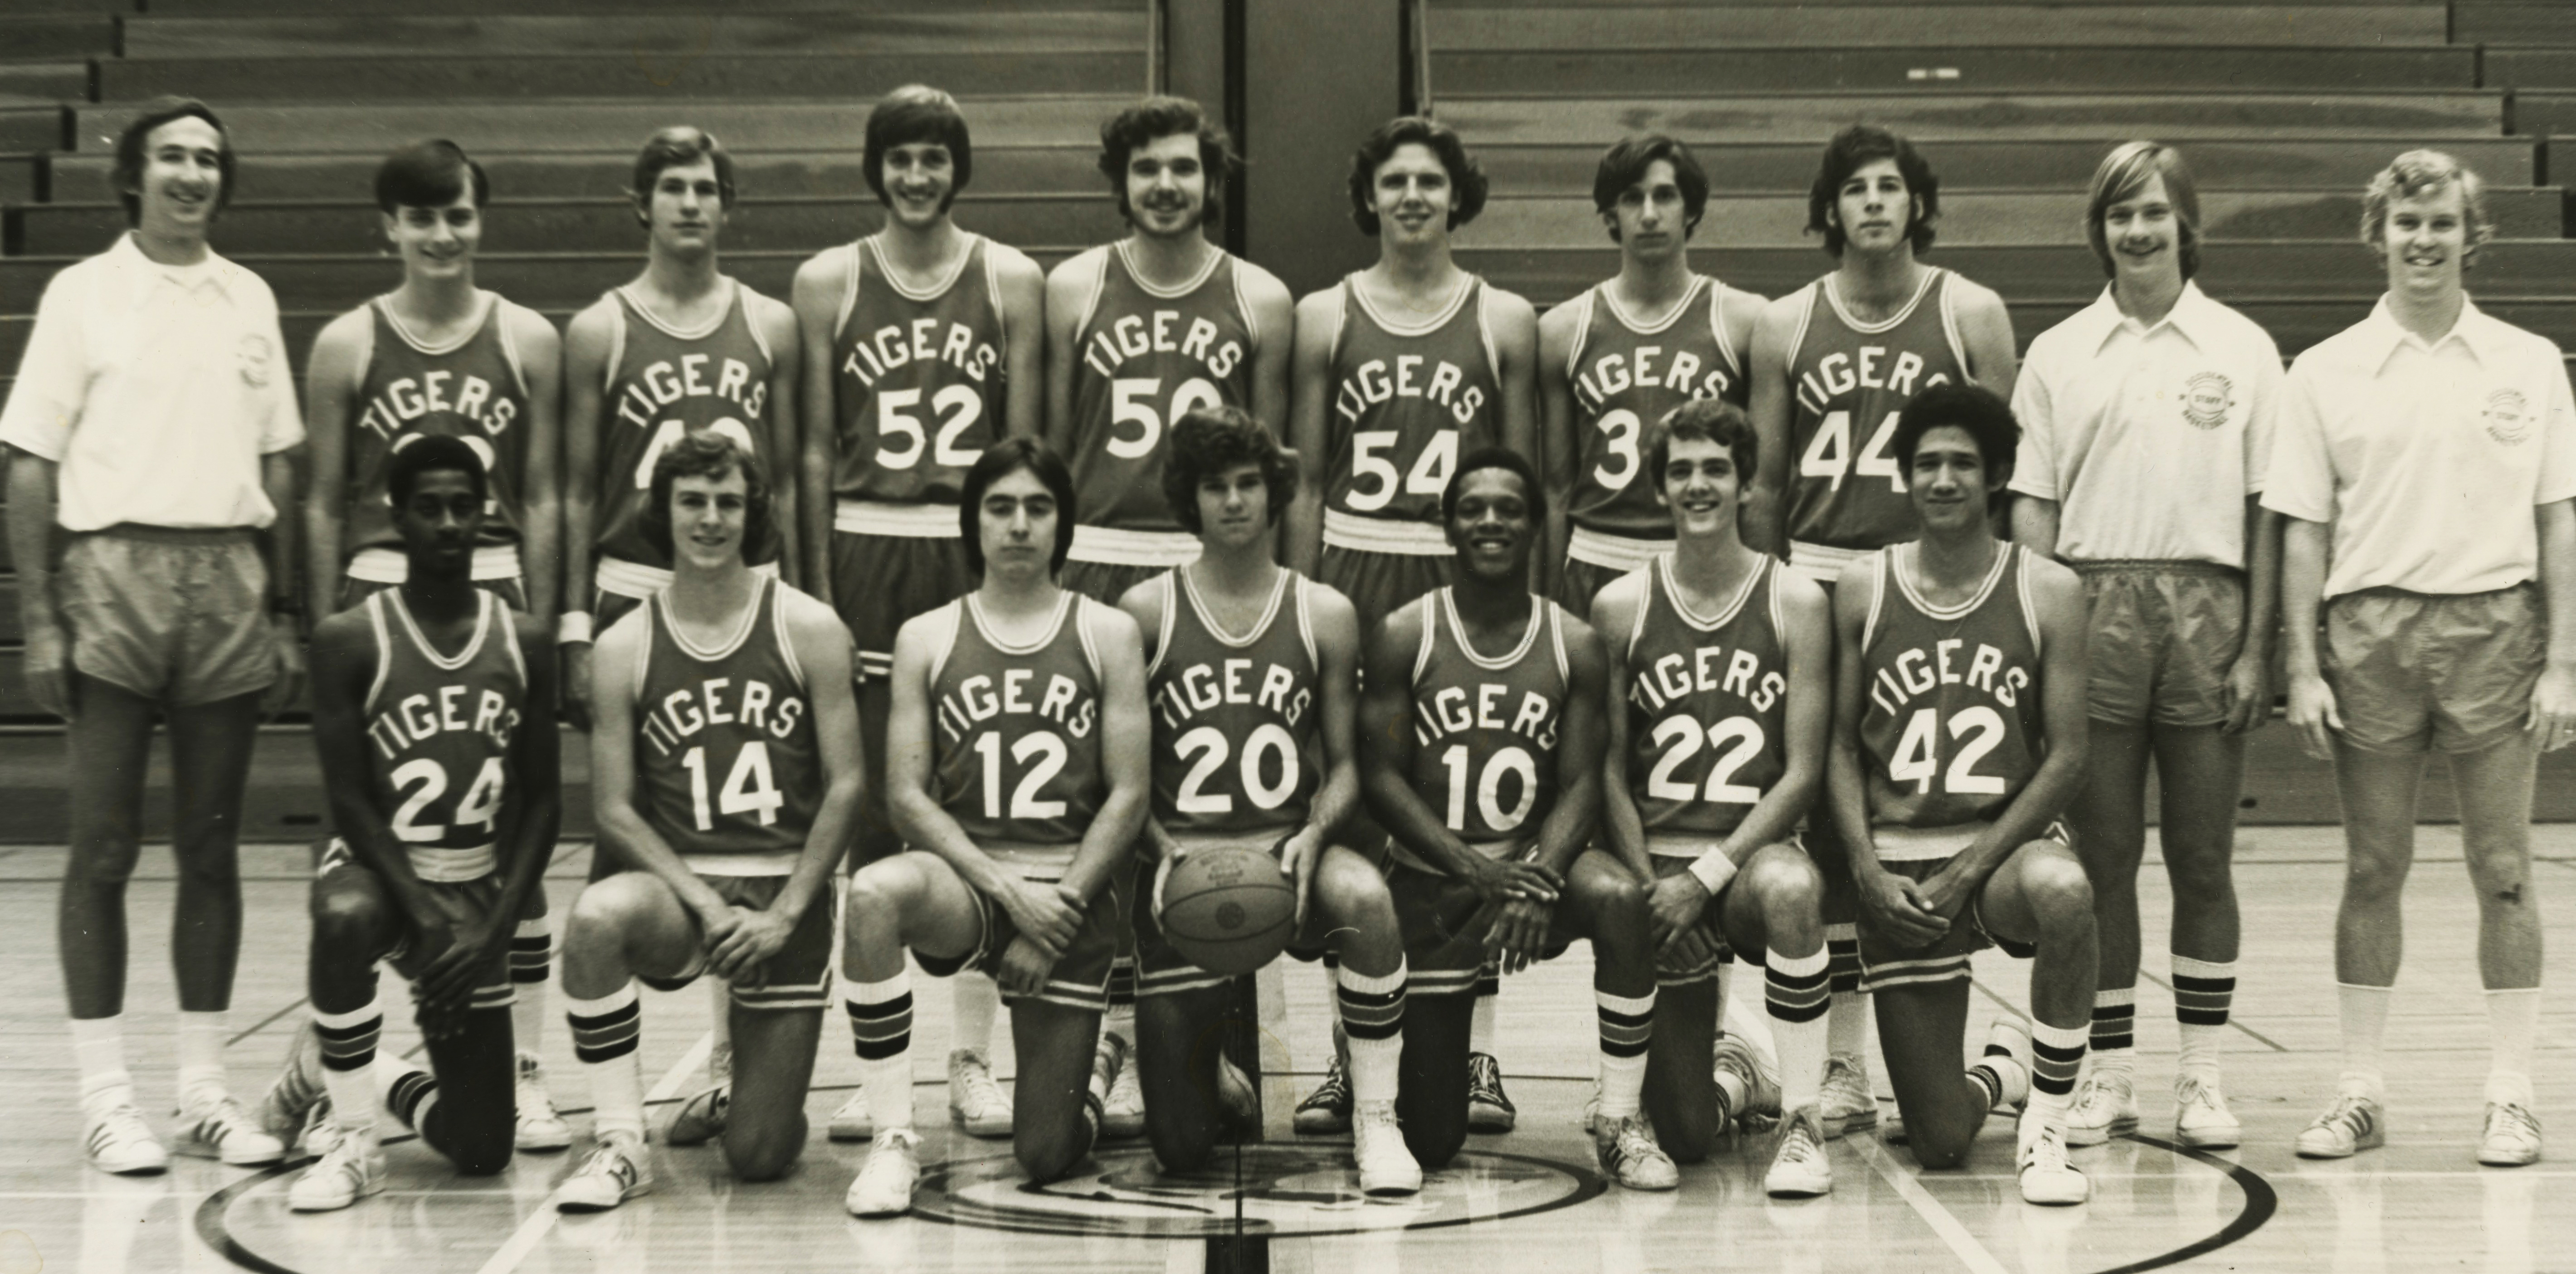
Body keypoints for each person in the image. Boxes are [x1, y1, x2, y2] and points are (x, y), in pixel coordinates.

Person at [2, 96, 302, 1173]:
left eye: (210, 159)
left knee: (214, 845)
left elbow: (279, 458)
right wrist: (42, 611)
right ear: (132, 176)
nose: (193, 174)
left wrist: (276, 606)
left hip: (225, 575)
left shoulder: (249, 296)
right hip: (112, 572)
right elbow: (31, 462)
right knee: (104, 845)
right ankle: (102, 1091)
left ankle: (204, 1089)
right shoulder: (82, 294)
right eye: (173, 156)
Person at [2267, 150, 2574, 1169]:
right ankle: (2359, 1089)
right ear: (2378, 235)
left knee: (2501, 871)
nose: (2423, 241)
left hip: (2494, 626)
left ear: (2470, 234)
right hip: (2370, 634)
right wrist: (2301, 665)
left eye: (2440, 223)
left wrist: (2563, 659)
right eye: (2405, 224)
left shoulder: (2527, 364)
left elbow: (2555, 520)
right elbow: (2302, 531)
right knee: (2371, 867)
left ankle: (2510, 1091)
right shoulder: (2321, 371)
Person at [1746, 124, 2020, 1137]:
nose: (1872, 203)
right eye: (1854, 188)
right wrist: (1770, 599)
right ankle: (1845, 1064)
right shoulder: (1783, 324)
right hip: (1820, 582)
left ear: (1916, 205)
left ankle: (1990, 1038)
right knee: (1823, 824)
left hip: (1932, 588)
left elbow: (2000, 467)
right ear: (1830, 208)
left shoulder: (1971, 312)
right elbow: (1768, 481)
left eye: (1889, 187)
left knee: (1932, 801)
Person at [298, 138, 571, 1154]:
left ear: (479, 219)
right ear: (390, 228)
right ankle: (347, 1085)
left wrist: (551, 611)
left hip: (495, 592)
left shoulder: (528, 337)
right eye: (421, 218)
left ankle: (526, 1073)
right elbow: (324, 496)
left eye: (457, 214)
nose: (441, 234)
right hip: (382, 594)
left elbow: (541, 494)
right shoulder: (346, 344)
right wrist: (316, 614)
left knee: (512, 853)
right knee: (380, 841)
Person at [2009, 141, 2282, 1152]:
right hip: (2092, 603)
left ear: (2184, 224)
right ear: (2098, 228)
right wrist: (2045, 633)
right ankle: (2108, 1075)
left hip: (2206, 609)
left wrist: (2259, 644)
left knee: (2203, 856)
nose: (2137, 230)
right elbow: (2032, 505)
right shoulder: (2057, 352)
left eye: (2154, 213)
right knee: (2106, 858)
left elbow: (2266, 510)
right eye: (2120, 213)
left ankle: (2201, 1079)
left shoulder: (2242, 349)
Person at [790, 85, 1045, 1145]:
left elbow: (1026, 449)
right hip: (863, 545)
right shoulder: (826, 281)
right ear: (876, 167)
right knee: (864, 813)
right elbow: (809, 447)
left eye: (934, 156)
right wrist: (810, 588)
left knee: (980, 785)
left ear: (957, 166)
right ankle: (875, 1063)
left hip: (967, 543)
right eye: (899, 156)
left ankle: (972, 1056)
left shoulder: (1011, 280)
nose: (916, 174)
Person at [1049, 97, 1298, 1141]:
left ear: (1211, 180)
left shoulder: (1261, 297)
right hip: (1106, 561)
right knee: (1108, 813)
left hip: (1220, 563)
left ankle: (1224, 1050)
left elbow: (1272, 460)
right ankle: (1113, 1041)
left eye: (1184, 170)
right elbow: (1050, 449)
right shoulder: (1072, 286)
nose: (1165, 186)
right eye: (1146, 169)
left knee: (1219, 797)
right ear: (1122, 181)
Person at [1287, 115, 1539, 1135]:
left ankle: (1477, 1052)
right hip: (1353, 563)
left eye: (1429, 182)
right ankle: (1351, 1058)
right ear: (1369, 198)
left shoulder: (1506, 319)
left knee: (1466, 806)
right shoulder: (1321, 314)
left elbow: (1521, 483)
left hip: (1461, 570)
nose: (1411, 198)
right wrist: (1304, 604)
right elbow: (1304, 475)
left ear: (1456, 196)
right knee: (1351, 816)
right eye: (1392, 181)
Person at [838, 437, 1151, 1217]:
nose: (1019, 525)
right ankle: (893, 1140)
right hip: (970, 881)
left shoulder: (1107, 631)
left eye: (1038, 507)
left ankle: (1108, 1055)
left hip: (1070, 896)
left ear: (1064, 524)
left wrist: (1055, 911)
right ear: (972, 523)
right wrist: (1006, 889)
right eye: (1000, 507)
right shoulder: (927, 633)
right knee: (874, 892)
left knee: (1045, 1153)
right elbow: (907, 795)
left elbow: (1130, 793)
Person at [551, 433, 862, 1211]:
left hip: (784, 894)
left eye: (729, 501)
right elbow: (614, 808)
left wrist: (786, 911)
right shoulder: (624, 644)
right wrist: (706, 902)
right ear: (663, 511)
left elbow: (850, 783)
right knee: (592, 918)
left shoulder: (811, 626)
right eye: (693, 500)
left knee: (758, 1156)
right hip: (686, 893)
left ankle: (754, 1097)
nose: (712, 519)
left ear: (753, 512)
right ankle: (623, 1140)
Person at [1114, 406, 1419, 1194]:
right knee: (1182, 1150)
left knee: (1368, 897)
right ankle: (1207, 1063)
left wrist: (1318, 833)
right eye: (1216, 486)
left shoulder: (1323, 611)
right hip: (1186, 865)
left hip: (1290, 853)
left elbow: (1347, 764)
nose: (1236, 501)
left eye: (1249, 483)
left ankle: (1375, 1113)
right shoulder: (1145, 611)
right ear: (1191, 500)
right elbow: (1122, 770)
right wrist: (1157, 844)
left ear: (1274, 493)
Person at [254, 437, 561, 1209]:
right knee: (343, 911)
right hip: (385, 877)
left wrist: (489, 935)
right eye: (430, 507)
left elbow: (546, 801)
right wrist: (424, 919)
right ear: (397, 518)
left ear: (487, 514)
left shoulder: (524, 638)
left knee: (483, 1147)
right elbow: (350, 800)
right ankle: (355, 1140)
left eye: (465, 506)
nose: (450, 523)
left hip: (473, 891)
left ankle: (339, 1065)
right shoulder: (349, 637)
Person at [1361, 448, 1677, 1189]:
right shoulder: (1405, 633)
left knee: (1620, 895)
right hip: (1436, 881)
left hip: (1539, 867)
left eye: (1509, 507)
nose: (1491, 520)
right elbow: (1380, 777)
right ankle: (1375, 1062)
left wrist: (1534, 879)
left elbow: (1582, 783)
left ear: (1537, 524)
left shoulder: (1574, 642)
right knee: (1435, 1139)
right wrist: (1477, 868)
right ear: (1448, 526)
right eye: (1473, 507)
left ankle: (1622, 1115)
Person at [1824, 383, 2095, 1205]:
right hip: (1903, 871)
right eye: (1929, 463)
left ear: (1998, 476)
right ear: (1905, 477)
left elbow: (2068, 752)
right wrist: (1868, 871)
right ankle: (2004, 1071)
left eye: (1964, 464)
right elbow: (1837, 746)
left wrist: (1974, 865)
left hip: (2001, 854)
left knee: (2067, 890)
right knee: (1941, 1140)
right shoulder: (1863, 590)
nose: (1945, 479)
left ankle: (2047, 1125)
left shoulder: (2048, 589)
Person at [1591, 400, 1834, 1197]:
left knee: (1797, 887)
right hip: (1661, 873)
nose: (1699, 484)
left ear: (1745, 484)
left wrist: (1706, 877)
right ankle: (1738, 1072)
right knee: (1690, 1134)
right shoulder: (1620, 606)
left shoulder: (1795, 600)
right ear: (1660, 486)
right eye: (1682, 469)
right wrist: (1653, 887)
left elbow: (1802, 772)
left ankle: (1803, 1118)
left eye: (1716, 468)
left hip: (1746, 862)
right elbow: (1610, 770)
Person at [1539, 134, 1762, 612]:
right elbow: (1556, 488)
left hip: (1704, 558)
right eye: (1631, 198)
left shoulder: (1743, 321)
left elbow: (1761, 480)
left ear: (1692, 211)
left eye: (1664, 196)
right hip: (1597, 556)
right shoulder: (1563, 329)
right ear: (1609, 216)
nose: (1648, 213)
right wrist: (1548, 602)